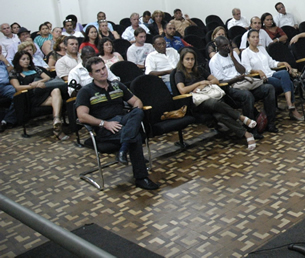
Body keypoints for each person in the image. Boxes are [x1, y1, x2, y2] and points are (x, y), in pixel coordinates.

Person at [76, 57, 158, 190]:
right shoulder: (86, 92)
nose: (103, 72)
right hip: (106, 128)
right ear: (91, 75)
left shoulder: (117, 85)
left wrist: (133, 116)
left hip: (124, 122)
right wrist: (104, 124)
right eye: (98, 71)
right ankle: (141, 178)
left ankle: (123, 149)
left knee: (138, 112)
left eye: (104, 68)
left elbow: (137, 102)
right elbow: (82, 116)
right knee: (135, 136)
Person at [175, 48, 257, 150]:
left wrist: (205, 84)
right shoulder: (179, 74)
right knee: (214, 103)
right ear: (182, 60)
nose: (190, 62)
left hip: (210, 95)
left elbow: (215, 80)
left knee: (219, 115)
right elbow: (182, 90)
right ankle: (241, 117)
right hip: (197, 103)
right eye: (187, 59)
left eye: (192, 59)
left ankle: (246, 134)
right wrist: (199, 83)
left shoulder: (199, 70)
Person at [209, 36, 278, 133]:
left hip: (243, 82)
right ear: (218, 48)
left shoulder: (233, 55)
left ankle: (270, 123)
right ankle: (251, 129)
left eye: (228, 45)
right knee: (247, 95)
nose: (227, 47)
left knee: (269, 88)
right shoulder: (214, 61)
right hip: (230, 88)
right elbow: (220, 83)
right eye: (224, 46)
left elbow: (242, 70)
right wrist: (236, 79)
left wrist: (233, 57)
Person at [241, 29, 302, 121]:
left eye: (257, 37)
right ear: (248, 39)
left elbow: (271, 62)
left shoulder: (261, 49)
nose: (256, 39)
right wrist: (257, 71)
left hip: (271, 73)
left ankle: (289, 104)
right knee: (288, 82)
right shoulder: (245, 53)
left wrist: (282, 63)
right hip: (262, 78)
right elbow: (247, 70)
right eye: (253, 37)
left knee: (284, 73)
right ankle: (292, 107)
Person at [10, 50, 66, 140]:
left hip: (43, 92)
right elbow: (17, 87)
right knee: (58, 102)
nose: (26, 61)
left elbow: (47, 78)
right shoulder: (14, 72)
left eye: (28, 59)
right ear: (18, 60)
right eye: (23, 59)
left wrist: (38, 82)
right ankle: (58, 128)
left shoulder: (35, 68)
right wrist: (31, 86)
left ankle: (56, 120)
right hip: (30, 96)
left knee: (56, 90)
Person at [0, 50, 17, 132]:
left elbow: (13, 72)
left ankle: (6, 121)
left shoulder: (5, 62)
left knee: (17, 94)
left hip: (6, 86)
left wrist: (5, 61)